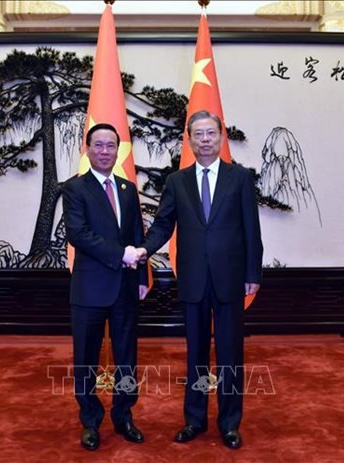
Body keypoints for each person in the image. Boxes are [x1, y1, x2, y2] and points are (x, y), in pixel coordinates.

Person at [136, 110, 263, 450]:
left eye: (211, 134)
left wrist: (253, 272)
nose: (205, 140)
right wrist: (144, 250)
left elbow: (252, 229)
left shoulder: (240, 178)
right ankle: (193, 420)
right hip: (192, 278)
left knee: (230, 354)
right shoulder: (177, 181)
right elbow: (163, 224)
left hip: (231, 277)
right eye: (198, 135)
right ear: (189, 140)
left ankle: (230, 423)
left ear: (221, 137)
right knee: (195, 353)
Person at [62, 123, 148, 451]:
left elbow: (137, 237)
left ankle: (124, 415)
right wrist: (120, 254)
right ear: (87, 149)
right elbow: (78, 234)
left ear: (118, 150)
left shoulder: (127, 189)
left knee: (127, 358)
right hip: (89, 289)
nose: (104, 151)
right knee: (86, 359)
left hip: (126, 289)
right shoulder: (75, 189)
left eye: (110, 146)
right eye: (98, 145)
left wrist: (141, 278)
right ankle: (90, 420)